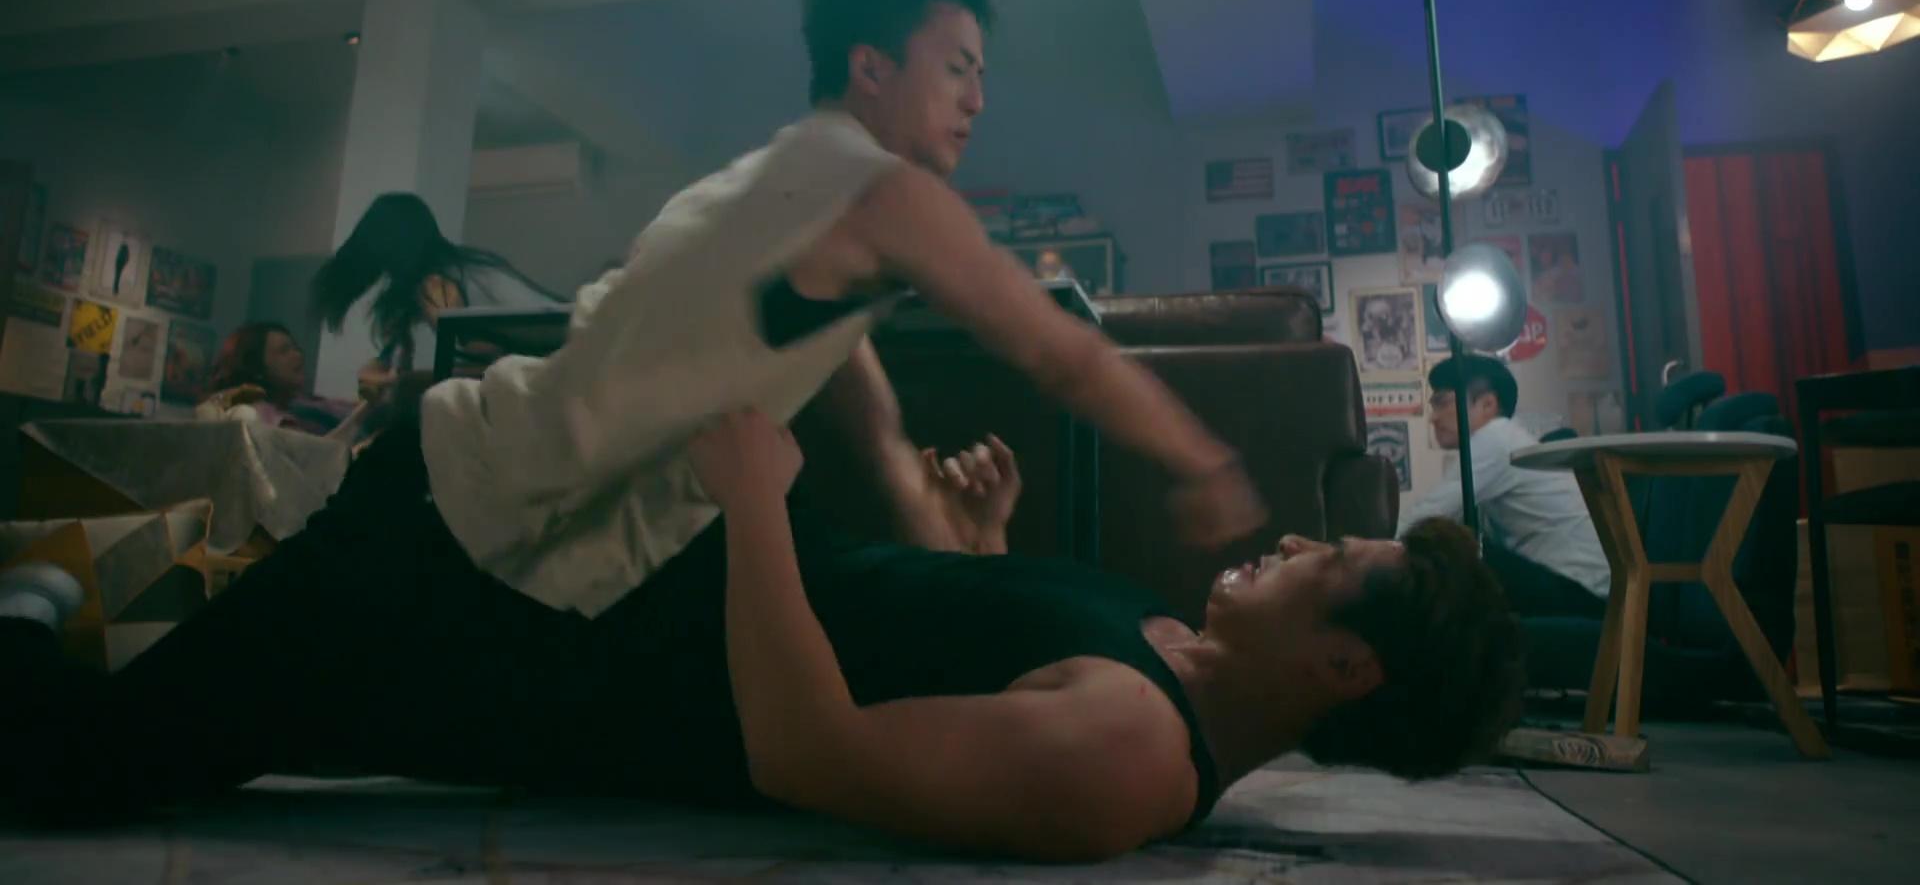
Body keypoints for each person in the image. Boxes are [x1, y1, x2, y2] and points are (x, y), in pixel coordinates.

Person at [0, 411, 1524, 861]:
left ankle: (31, 634)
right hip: (620, 577)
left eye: (1329, 560)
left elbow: (811, 750)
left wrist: (748, 498)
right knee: (384, 509)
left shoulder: (1127, 758)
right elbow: (959, 647)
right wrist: (979, 538)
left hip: (573, 659)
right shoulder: (1166, 647)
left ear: (1345, 669)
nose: (1294, 543)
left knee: (91, 765)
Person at [420, 0, 1265, 618]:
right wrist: (1208, 464)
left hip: (475, 495)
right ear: (871, 68)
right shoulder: (882, 193)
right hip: (459, 507)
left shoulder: (787, 183)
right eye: (956, 68)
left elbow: (865, 408)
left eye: (982, 74)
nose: (977, 100)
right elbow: (1062, 355)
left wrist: (946, 526)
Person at [1397, 355, 1611, 618]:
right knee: (1455, 547)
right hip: (1585, 586)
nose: (1433, 418)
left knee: (1448, 554)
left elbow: (1428, 514)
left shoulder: (1496, 438)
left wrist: (1371, 553)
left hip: (1582, 592)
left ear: (1487, 404)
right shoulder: (1508, 440)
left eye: (1442, 403)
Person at [311, 191, 562, 381]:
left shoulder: (436, 284)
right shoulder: (455, 268)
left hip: (564, 350)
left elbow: (488, 357)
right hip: (564, 346)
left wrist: (407, 382)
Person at [195, 322, 368, 439]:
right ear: (257, 367)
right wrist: (368, 407)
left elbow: (346, 409)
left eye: (295, 348)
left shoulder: (303, 403)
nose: (298, 355)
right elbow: (318, 453)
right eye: (284, 351)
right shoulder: (257, 413)